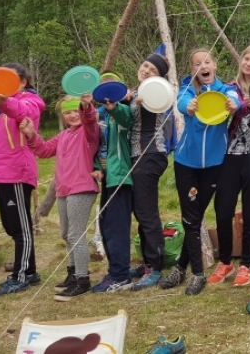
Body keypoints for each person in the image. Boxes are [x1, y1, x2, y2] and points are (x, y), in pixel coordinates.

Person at [161, 49, 241, 295]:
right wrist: (190, 106)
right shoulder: (188, 89)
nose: (202, 66)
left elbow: (234, 101)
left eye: (206, 61)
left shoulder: (225, 89)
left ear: (214, 65)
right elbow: (182, 104)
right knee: (191, 219)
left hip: (215, 166)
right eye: (197, 63)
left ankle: (180, 267)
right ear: (192, 68)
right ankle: (197, 274)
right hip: (186, 164)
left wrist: (234, 104)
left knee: (194, 219)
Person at [210, 45, 250, 287]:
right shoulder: (229, 88)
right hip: (230, 154)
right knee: (223, 210)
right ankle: (225, 261)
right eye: (246, 59)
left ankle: (246, 264)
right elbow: (226, 109)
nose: (248, 63)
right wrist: (237, 105)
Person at [22, 94, 99, 301]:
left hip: (82, 188)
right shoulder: (64, 136)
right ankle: (73, 273)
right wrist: (31, 134)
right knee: (66, 233)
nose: (73, 115)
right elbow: (45, 150)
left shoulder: (88, 132)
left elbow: (90, 119)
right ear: (62, 115)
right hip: (64, 190)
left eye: (76, 110)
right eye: (68, 112)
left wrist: (86, 107)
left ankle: (83, 280)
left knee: (76, 234)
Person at [0, 63, 45, 298]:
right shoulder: (1, 110)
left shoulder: (30, 102)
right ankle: (29, 271)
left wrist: (4, 101)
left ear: (23, 82)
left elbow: (21, 111)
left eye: (10, 80)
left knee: (21, 229)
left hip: (17, 172)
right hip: (2, 173)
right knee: (11, 226)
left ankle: (22, 275)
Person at [128, 53, 174, 291]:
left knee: (147, 213)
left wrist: (133, 100)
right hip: (138, 156)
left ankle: (155, 267)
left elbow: (139, 112)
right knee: (140, 211)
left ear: (159, 78)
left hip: (149, 154)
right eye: (144, 65)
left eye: (152, 70)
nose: (146, 70)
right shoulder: (137, 92)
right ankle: (147, 261)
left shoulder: (154, 93)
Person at [93, 72, 135, 292]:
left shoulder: (123, 110)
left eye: (112, 86)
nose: (107, 91)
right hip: (107, 178)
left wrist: (114, 108)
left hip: (121, 177)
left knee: (116, 227)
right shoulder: (99, 116)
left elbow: (126, 120)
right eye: (103, 86)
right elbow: (97, 147)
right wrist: (97, 169)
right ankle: (116, 271)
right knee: (105, 225)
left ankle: (120, 276)